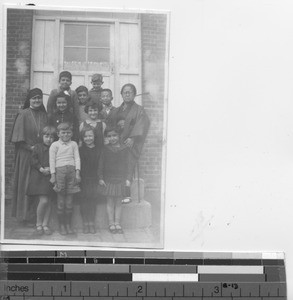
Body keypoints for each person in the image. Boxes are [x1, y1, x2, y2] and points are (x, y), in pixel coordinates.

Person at [9, 88, 48, 223]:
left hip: (40, 155)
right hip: (26, 154)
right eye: (34, 98)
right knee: (26, 184)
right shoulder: (23, 114)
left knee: (38, 184)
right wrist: (32, 148)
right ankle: (25, 217)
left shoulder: (44, 115)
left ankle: (36, 217)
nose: (37, 100)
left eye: (39, 98)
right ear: (29, 100)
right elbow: (18, 139)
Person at [109, 83, 150, 202]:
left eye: (130, 92)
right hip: (117, 142)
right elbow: (111, 124)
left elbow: (142, 124)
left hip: (130, 142)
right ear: (121, 94)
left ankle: (127, 194)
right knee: (117, 166)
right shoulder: (116, 110)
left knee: (128, 166)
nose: (127, 94)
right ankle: (117, 192)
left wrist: (133, 138)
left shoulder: (139, 110)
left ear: (134, 94)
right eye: (124, 92)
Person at [98, 127, 134, 234]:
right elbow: (101, 164)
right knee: (109, 201)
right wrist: (100, 177)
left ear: (119, 136)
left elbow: (129, 165)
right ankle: (111, 224)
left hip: (121, 179)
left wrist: (128, 178)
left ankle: (117, 223)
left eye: (114, 135)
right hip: (108, 179)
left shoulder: (125, 149)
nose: (112, 138)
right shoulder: (105, 149)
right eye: (109, 136)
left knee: (118, 202)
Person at [49, 122, 81, 235]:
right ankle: (61, 226)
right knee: (61, 203)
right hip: (60, 173)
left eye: (68, 132)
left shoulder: (74, 144)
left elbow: (77, 158)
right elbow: (52, 161)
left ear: (72, 133)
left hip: (72, 172)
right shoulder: (54, 145)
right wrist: (53, 175)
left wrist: (77, 173)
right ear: (58, 134)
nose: (66, 135)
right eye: (63, 132)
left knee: (69, 202)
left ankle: (68, 225)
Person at [27, 126, 56, 235]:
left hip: (50, 177)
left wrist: (52, 169)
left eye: (51, 137)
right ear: (42, 136)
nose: (49, 139)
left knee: (49, 201)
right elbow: (33, 160)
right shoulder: (37, 147)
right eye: (46, 136)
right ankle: (38, 224)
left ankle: (45, 224)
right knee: (43, 201)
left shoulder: (55, 147)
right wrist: (41, 169)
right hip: (39, 177)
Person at [79, 127, 102, 234]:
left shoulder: (98, 149)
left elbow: (101, 165)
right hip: (83, 179)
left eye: (90, 136)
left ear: (94, 136)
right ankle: (85, 223)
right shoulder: (80, 150)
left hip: (94, 179)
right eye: (86, 136)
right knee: (84, 201)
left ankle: (91, 223)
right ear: (82, 138)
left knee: (93, 200)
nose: (88, 138)